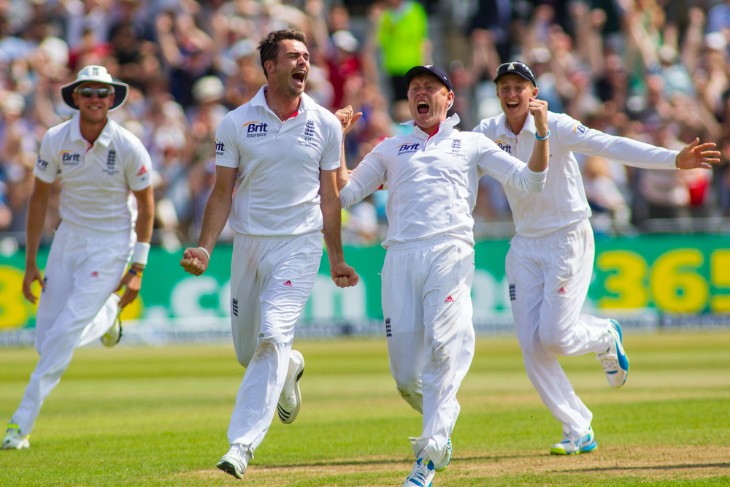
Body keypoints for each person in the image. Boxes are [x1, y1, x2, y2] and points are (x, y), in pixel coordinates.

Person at [472, 61, 721, 455]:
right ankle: (578, 429)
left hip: (567, 236)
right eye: (504, 87)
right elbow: (450, 159)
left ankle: (605, 334)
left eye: (519, 86)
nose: (511, 93)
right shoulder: (487, 132)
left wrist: (673, 159)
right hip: (524, 244)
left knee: (554, 337)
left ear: (534, 93)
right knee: (531, 345)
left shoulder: (558, 125)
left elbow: (611, 145)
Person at [336, 64, 549, 487]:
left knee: (444, 347)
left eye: (430, 88)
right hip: (399, 257)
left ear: (448, 99)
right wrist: (336, 143)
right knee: (405, 379)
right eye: (415, 88)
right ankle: (443, 419)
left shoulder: (471, 144)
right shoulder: (390, 148)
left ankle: (428, 458)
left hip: (450, 251)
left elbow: (531, 182)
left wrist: (541, 134)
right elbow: (343, 193)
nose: (422, 93)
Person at [179, 29, 359, 480]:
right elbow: (222, 193)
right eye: (293, 56)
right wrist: (204, 245)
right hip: (248, 245)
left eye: (306, 56)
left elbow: (331, 197)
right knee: (249, 352)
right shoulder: (236, 122)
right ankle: (291, 367)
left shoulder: (325, 123)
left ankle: (241, 445)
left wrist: (335, 256)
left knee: (272, 337)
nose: (303, 63)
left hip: (299, 244)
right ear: (270, 67)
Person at [2, 65, 155, 450]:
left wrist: (137, 266)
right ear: (75, 98)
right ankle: (106, 319)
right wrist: (32, 261)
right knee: (46, 342)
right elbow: (39, 198)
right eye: (88, 92)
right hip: (68, 239)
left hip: (111, 242)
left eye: (103, 93)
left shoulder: (128, 144)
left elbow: (147, 206)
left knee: (66, 331)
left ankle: (19, 425)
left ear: (112, 99)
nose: (96, 99)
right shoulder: (56, 139)